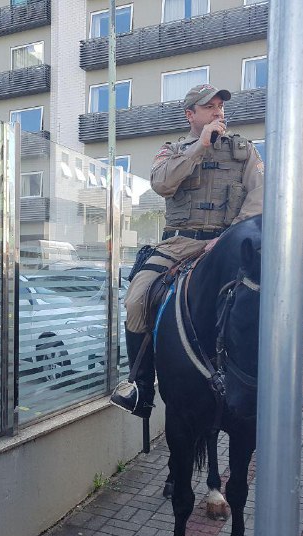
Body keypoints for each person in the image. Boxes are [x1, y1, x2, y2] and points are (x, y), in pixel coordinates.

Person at [117, 84, 265, 416]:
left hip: (231, 244)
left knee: (265, 297)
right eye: (209, 107)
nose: (218, 112)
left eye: (220, 107)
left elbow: (258, 200)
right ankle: (140, 388)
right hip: (179, 243)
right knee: (136, 298)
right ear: (191, 115)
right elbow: (162, 184)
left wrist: (229, 237)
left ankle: (277, 379)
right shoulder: (171, 151)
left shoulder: (245, 151)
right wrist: (200, 146)